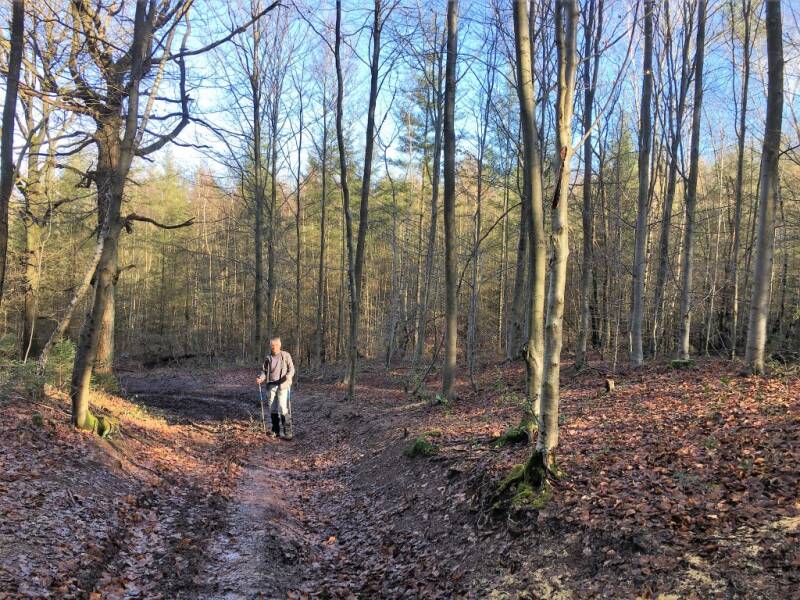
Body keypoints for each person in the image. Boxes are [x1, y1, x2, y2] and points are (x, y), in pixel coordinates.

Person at [256, 337, 296, 439]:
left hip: (283, 385)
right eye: (272, 345)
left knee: (283, 408)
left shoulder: (286, 355)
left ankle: (287, 433)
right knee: (273, 409)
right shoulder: (268, 358)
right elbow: (264, 371)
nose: (274, 347)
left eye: (276, 345)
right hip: (271, 386)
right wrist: (261, 378)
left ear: (280, 345)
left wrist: (289, 376)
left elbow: (292, 369)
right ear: (270, 346)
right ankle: (276, 431)